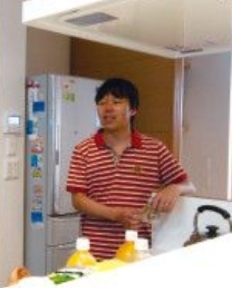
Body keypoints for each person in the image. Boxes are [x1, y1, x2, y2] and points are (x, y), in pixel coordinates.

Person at [66, 78, 195, 261]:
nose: (107, 108)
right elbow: (78, 200)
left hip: (140, 252)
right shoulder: (83, 150)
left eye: (116, 102)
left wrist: (175, 188)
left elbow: (189, 185)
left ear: (133, 109)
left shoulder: (154, 149)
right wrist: (115, 215)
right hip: (94, 254)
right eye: (102, 103)